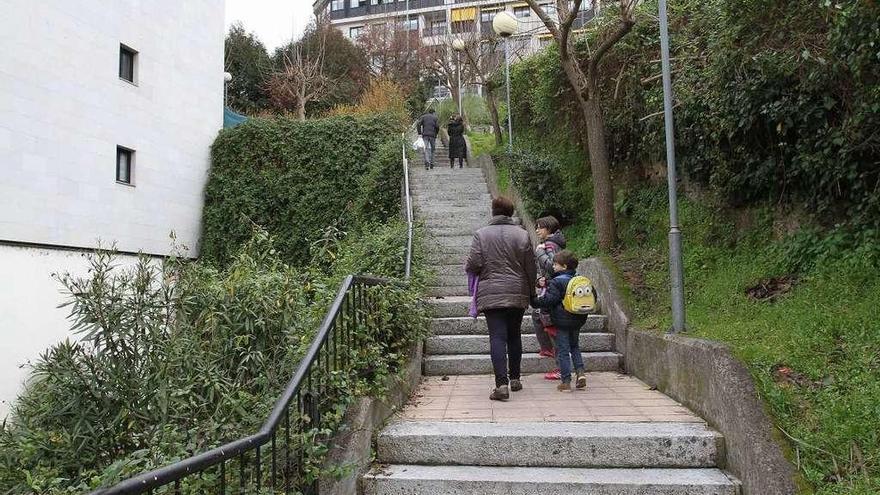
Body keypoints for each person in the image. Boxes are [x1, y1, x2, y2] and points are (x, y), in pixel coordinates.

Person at [466, 196, 537, 401]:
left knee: (497, 337)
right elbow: (530, 267)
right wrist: (531, 292)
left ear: (493, 211)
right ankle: (515, 378)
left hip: (491, 291)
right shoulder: (523, 235)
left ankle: (501, 385)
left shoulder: (481, 234)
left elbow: (473, 264)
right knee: (514, 335)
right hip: (517, 290)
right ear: (512, 213)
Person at [530, 250, 589, 392]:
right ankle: (580, 373)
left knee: (562, 350)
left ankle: (566, 381)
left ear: (563, 266)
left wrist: (534, 301)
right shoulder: (579, 278)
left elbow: (550, 300)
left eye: (555, 264)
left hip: (562, 321)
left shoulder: (557, 281)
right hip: (578, 318)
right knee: (574, 346)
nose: (553, 267)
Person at [533, 216, 566, 381]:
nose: (537, 230)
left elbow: (554, 267)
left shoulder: (550, 245)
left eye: (539, 227)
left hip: (553, 292)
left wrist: (539, 253)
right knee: (540, 316)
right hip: (553, 288)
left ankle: (560, 366)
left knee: (554, 329)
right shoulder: (554, 243)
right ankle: (548, 349)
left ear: (548, 228)